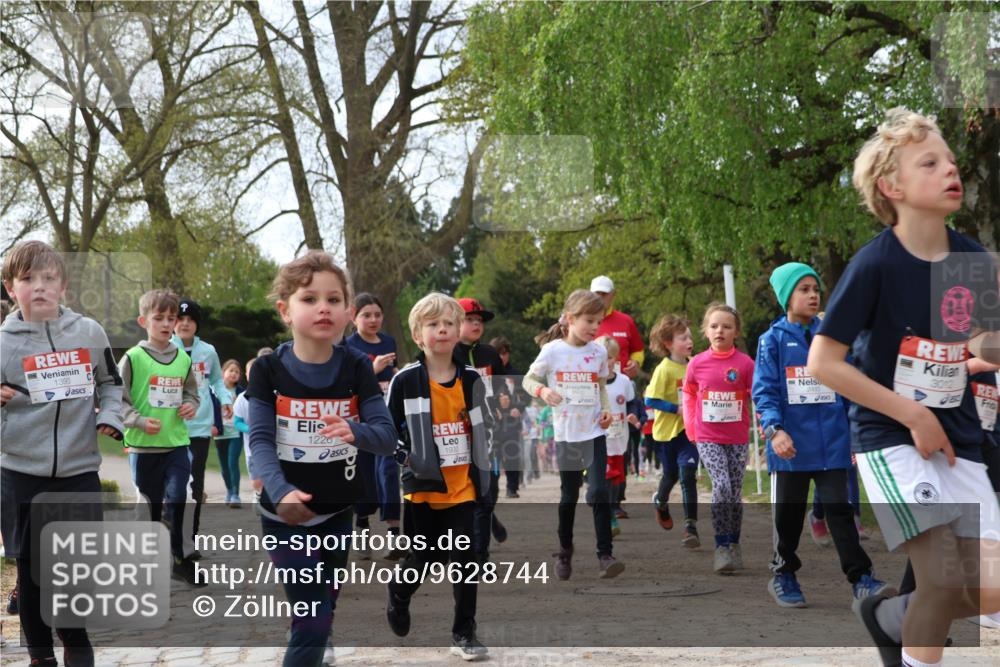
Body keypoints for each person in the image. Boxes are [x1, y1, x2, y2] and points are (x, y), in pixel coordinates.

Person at [808, 108, 1000, 667]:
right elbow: (825, 362)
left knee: (986, 587)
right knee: (941, 578)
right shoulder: (876, 264)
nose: (950, 169)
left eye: (951, 161)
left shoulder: (970, 259)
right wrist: (913, 415)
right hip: (891, 438)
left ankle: (890, 616)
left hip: (958, 442)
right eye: (930, 162)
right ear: (891, 186)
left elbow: (980, 341)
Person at [246, 251, 396, 667]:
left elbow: (386, 437)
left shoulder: (356, 368)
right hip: (284, 515)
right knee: (312, 621)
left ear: (348, 312)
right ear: (285, 311)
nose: (323, 307)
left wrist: (356, 431)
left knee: (321, 611)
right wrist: (280, 492)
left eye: (333, 299)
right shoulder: (268, 370)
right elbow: (259, 441)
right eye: (309, 299)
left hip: (337, 513)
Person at [1, 241, 125, 667]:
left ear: (64, 285)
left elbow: (111, 382)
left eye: (49, 278)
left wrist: (110, 416)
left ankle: (75, 638)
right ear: (9, 288)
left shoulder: (89, 332)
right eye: (28, 279)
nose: (40, 287)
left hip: (78, 470)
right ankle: (41, 657)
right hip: (19, 472)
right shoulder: (1, 343)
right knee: (33, 573)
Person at [753, 262, 892, 608]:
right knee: (788, 516)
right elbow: (764, 391)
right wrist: (775, 431)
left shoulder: (832, 338)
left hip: (833, 443)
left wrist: (856, 436)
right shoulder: (772, 341)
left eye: (816, 289)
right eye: (804, 289)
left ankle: (861, 579)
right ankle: (783, 574)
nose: (813, 295)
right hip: (790, 447)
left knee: (840, 513)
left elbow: (850, 388)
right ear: (787, 297)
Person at [384, 292, 493, 661]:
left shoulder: (473, 380)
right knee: (423, 560)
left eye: (449, 323)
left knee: (466, 559)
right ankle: (399, 593)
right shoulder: (405, 380)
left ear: (459, 330)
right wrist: (405, 456)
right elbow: (386, 431)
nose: (442, 329)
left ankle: (464, 632)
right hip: (423, 492)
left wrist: (486, 477)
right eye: (433, 325)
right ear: (418, 335)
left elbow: (483, 429)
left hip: (462, 488)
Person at [523, 289, 624, 580]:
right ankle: (564, 551)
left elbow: (601, 387)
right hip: (567, 435)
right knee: (569, 496)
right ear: (570, 319)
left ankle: (605, 555)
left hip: (594, 432)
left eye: (599, 322)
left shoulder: (599, 352)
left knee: (599, 491)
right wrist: (543, 390)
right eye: (589, 321)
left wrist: (605, 411)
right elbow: (529, 380)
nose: (595, 328)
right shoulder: (553, 351)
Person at [118, 288, 202, 587]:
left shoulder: (182, 358)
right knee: (149, 508)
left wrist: (192, 404)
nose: (167, 324)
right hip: (143, 447)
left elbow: (192, 390)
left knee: (180, 497)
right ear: (144, 321)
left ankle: (180, 557)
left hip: (177, 443)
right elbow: (118, 399)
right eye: (159, 318)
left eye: (172, 318)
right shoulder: (133, 358)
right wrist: (138, 421)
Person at [682, 303, 754, 574]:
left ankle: (734, 543)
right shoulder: (698, 364)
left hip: (736, 437)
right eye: (714, 326)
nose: (719, 331)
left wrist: (765, 423)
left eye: (726, 326)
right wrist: (691, 425)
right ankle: (720, 547)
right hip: (707, 435)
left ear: (736, 332)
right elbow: (688, 393)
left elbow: (757, 395)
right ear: (705, 331)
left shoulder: (745, 364)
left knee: (735, 493)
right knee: (721, 486)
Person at [171, 298, 232, 556]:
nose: (184, 324)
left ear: (197, 324)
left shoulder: (208, 351)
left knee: (195, 485)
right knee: (173, 487)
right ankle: (171, 539)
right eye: (180, 319)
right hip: (169, 427)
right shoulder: (162, 349)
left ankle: (190, 542)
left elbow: (218, 381)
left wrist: (226, 400)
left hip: (199, 428)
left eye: (190, 320)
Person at [345, 293, 403, 560]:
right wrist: (372, 367)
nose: (373, 320)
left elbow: (396, 374)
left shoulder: (389, 342)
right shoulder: (348, 345)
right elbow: (346, 382)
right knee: (364, 474)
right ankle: (362, 524)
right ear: (354, 317)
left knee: (389, 471)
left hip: (388, 417)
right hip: (360, 419)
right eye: (366, 315)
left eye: (377, 315)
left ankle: (395, 535)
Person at [454, 297, 508, 560]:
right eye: (469, 320)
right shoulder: (448, 352)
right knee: (463, 497)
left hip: (487, 433)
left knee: (488, 493)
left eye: (479, 321)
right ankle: (467, 553)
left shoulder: (489, 354)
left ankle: (480, 555)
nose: (476, 324)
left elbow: (499, 387)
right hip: (455, 435)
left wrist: (503, 400)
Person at [646, 314, 700, 547]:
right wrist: (675, 408)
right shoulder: (664, 370)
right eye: (682, 338)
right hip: (667, 432)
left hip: (689, 432)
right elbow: (650, 399)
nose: (689, 341)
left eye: (689, 336)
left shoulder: (696, 365)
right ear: (669, 343)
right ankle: (661, 502)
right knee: (671, 475)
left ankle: (690, 527)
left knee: (688, 475)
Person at [597, 336, 639, 537]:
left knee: (617, 477)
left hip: (620, 436)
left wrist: (633, 414)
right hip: (599, 436)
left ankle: (614, 505)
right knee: (605, 475)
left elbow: (632, 403)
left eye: (611, 357)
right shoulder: (593, 382)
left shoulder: (624, 381)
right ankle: (609, 513)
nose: (608, 362)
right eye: (604, 358)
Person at [215, 359, 244, 508]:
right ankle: (229, 490)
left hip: (236, 433)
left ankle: (235, 495)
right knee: (224, 465)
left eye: (237, 372)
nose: (234, 374)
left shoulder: (241, 392)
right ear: (222, 372)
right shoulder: (214, 390)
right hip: (220, 433)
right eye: (231, 370)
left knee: (233, 462)